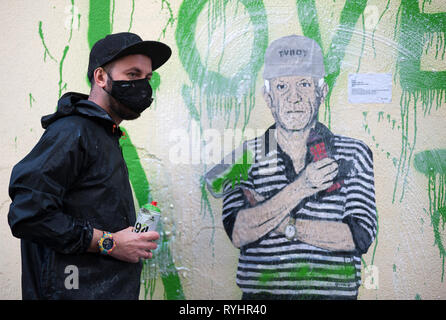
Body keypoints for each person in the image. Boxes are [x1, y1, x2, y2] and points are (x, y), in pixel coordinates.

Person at [8, 32, 172, 300]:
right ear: (100, 77)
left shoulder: (104, 134)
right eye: (133, 75)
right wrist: (111, 244)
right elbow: (29, 214)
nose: (143, 86)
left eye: (147, 77)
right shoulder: (72, 132)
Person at [218, 35, 377, 299]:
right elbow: (238, 231)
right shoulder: (243, 156)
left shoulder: (354, 152)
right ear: (268, 98)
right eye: (281, 87)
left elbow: (357, 237)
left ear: (321, 93)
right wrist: (302, 187)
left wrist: (281, 223)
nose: (293, 98)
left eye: (304, 84)